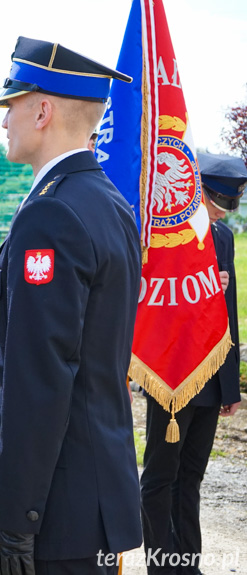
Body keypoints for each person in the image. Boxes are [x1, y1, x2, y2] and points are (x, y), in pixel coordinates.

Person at [0, 36, 143, 574]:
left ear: (43, 111)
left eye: (12, 107)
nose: (4, 123)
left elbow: (41, 374)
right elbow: (50, 312)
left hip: (57, 504)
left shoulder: (51, 213)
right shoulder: (103, 200)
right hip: (95, 489)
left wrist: (15, 515)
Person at [139, 152, 245, 575]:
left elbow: (228, 314)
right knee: (161, 477)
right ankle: (162, 564)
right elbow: (152, 306)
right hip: (171, 370)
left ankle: (187, 563)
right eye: (215, 199)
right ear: (194, 188)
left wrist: (229, 385)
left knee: (192, 477)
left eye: (227, 204)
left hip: (209, 374)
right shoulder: (163, 235)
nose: (220, 211)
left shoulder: (221, 238)